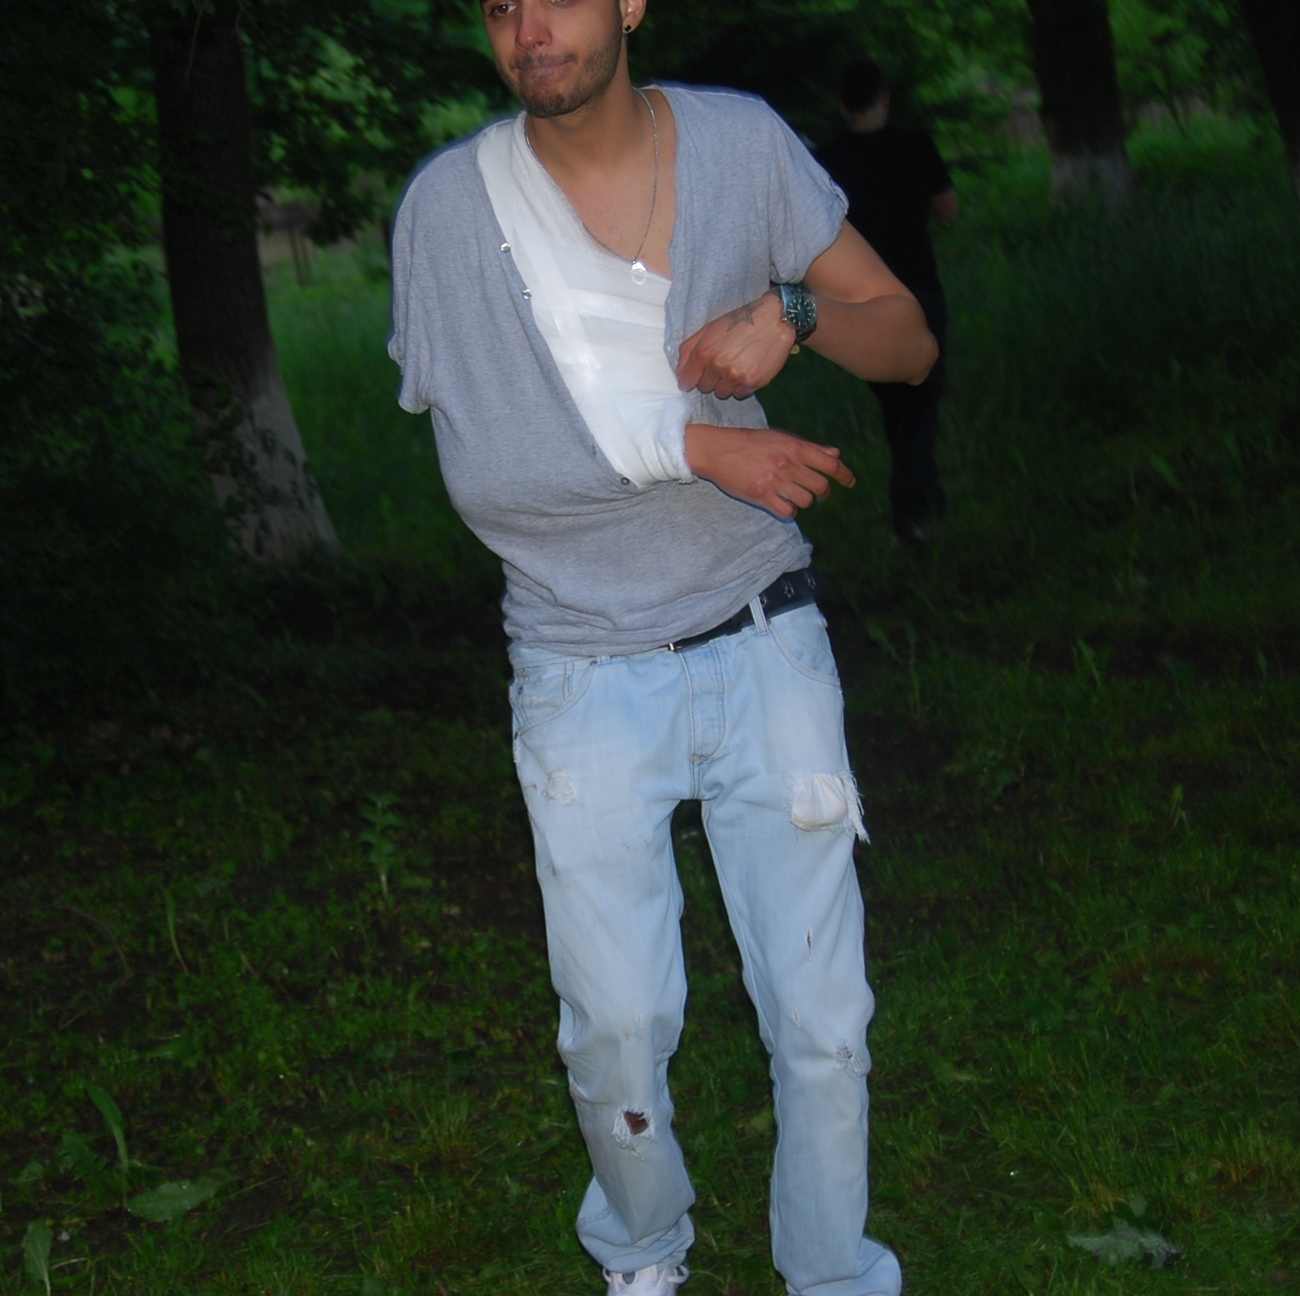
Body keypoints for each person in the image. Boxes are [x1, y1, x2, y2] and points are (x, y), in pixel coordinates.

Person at [386, 0, 938, 1292]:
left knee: (822, 1018)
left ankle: (832, 1270)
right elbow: (489, 479)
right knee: (617, 1027)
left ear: (630, 1)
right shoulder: (453, 209)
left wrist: (792, 311)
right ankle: (641, 1250)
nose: (529, 28)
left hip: (762, 634)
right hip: (580, 667)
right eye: (501, 5)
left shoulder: (742, 147)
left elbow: (907, 343)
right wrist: (693, 445)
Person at [815, 59, 959, 543]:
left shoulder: (829, 161)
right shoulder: (916, 145)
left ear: (842, 106)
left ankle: (928, 492)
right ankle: (910, 510)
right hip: (918, 292)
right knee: (922, 401)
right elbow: (949, 211)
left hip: (859, 302)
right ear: (884, 99)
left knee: (897, 404)